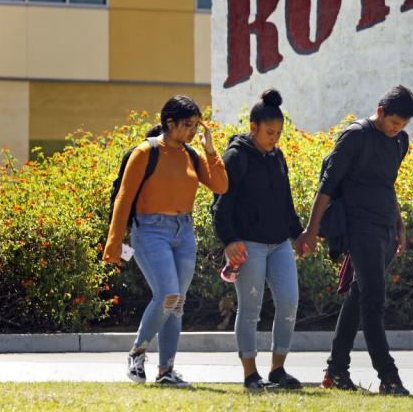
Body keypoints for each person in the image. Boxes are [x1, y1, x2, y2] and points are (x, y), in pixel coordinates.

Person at [294, 85, 413, 396]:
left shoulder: (400, 141)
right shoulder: (356, 135)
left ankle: (335, 370)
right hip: (360, 228)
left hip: (386, 226)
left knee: (358, 297)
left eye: (402, 125)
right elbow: (328, 184)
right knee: (373, 300)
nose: (396, 130)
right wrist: (311, 230)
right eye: (393, 123)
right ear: (380, 111)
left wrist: (399, 225)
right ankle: (389, 377)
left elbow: (388, 184)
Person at [103, 95, 228, 387]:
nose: (193, 131)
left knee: (178, 303)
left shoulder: (192, 155)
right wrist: (114, 241)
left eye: (197, 125)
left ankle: (166, 370)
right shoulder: (146, 152)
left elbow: (221, 185)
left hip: (183, 232)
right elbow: (124, 197)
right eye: (187, 125)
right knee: (168, 295)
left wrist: (210, 151)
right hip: (150, 231)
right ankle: (137, 353)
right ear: (169, 123)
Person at [212, 89, 305, 390]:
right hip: (247, 246)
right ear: (253, 127)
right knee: (250, 309)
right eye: (268, 132)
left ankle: (278, 370)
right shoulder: (236, 157)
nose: (274, 139)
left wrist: (298, 233)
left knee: (289, 302)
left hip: (279, 244)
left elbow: (286, 202)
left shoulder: (277, 157)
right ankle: (250, 374)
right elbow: (220, 204)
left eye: (278, 133)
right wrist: (229, 241)